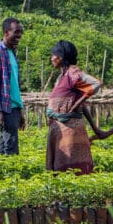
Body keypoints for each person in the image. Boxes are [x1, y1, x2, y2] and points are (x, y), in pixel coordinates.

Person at [44, 40, 101, 174]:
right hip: (60, 130)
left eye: (53, 55)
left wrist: (78, 102)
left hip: (70, 129)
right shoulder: (62, 77)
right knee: (62, 169)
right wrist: (80, 102)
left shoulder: (72, 73)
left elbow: (96, 84)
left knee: (72, 169)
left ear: (61, 57)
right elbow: (82, 104)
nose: (51, 58)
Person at [0, 17, 25, 155]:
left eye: (21, 32)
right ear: (7, 32)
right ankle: (11, 174)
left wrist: (20, 109)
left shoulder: (12, 53)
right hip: (4, 107)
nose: (19, 35)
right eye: (17, 32)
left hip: (13, 106)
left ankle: (1, 172)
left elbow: (14, 84)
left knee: (6, 145)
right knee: (11, 147)